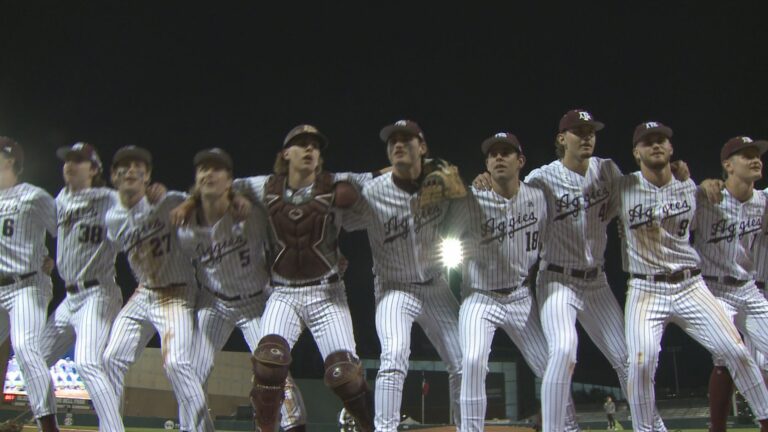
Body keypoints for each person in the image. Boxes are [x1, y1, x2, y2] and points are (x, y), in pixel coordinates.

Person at [614, 121, 768, 431]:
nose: (656, 145)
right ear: (636, 153)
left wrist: (707, 182)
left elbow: (718, 200)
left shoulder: (690, 187)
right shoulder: (621, 187)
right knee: (641, 363)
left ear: (671, 149)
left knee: (736, 351)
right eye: (648, 142)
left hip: (691, 285)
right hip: (645, 288)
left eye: (662, 141)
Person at [519, 110, 667, 432]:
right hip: (556, 280)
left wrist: (674, 171)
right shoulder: (540, 178)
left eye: (590, 131)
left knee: (629, 359)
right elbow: (514, 204)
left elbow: (624, 204)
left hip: (596, 282)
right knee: (563, 351)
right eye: (578, 131)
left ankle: (652, 427)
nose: (586, 136)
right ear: (562, 139)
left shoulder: (607, 170)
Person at [233, 125, 373, 432]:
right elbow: (222, 186)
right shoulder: (264, 187)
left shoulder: (336, 183)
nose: (310, 149)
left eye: (315, 146)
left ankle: (367, 424)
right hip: (283, 293)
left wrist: (418, 171)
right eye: (301, 145)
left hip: (328, 293)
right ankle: (268, 428)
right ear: (286, 154)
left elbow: (380, 180)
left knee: (345, 375)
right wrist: (233, 197)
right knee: (268, 362)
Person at [452, 132, 578, 431]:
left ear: (520, 161)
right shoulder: (472, 198)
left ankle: (569, 427)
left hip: (520, 298)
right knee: (472, 361)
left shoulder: (537, 197)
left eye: (505, 153)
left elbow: (552, 240)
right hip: (479, 298)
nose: (498, 157)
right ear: (486, 164)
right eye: (492, 154)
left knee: (552, 367)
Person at [175, 147, 307, 432]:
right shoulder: (185, 229)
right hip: (215, 304)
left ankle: (294, 425)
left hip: (255, 302)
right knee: (191, 372)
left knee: (274, 369)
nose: (208, 173)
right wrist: (189, 201)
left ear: (230, 180)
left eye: (216, 169)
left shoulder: (252, 214)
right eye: (203, 169)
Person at [344, 120, 464, 432]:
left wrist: (464, 190)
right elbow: (337, 219)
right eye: (392, 141)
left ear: (422, 148)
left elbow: (467, 213)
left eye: (407, 140)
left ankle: (468, 427)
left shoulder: (441, 182)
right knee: (394, 356)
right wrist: (331, 252)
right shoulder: (373, 193)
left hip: (436, 286)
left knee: (465, 361)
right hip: (393, 289)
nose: (398, 144)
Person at [101, 145, 214, 431]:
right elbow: (128, 225)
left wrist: (186, 201)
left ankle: (201, 429)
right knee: (110, 359)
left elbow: (204, 209)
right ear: (114, 176)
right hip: (144, 292)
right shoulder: (114, 217)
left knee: (176, 364)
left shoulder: (171, 199)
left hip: (177, 293)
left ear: (147, 175)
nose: (130, 171)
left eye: (137, 167)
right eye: (123, 167)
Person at [37, 142, 124, 431]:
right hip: (70, 297)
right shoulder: (60, 199)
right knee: (34, 361)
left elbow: (139, 218)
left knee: (87, 362)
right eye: (68, 160)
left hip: (99, 292)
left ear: (95, 169)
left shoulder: (110, 199)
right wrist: (49, 259)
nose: (69, 165)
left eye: (79, 161)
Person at [693, 136, 768, 432]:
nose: (756, 159)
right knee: (728, 355)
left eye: (757, 155)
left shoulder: (762, 202)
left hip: (748, 288)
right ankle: (721, 427)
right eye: (746, 155)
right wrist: (701, 185)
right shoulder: (707, 198)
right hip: (714, 289)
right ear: (727, 165)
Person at [0, 137, 59, 431]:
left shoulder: (33, 196)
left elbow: (67, 229)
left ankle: (48, 425)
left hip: (27, 285)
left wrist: (58, 261)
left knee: (25, 347)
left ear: (9, 160)